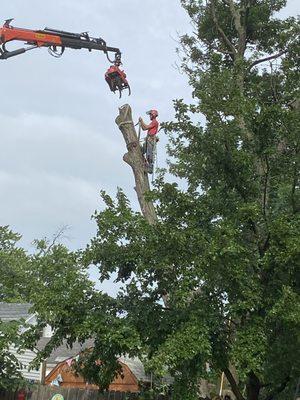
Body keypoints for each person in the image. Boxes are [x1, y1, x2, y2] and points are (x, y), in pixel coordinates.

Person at [139, 109, 159, 174]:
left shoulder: (155, 122)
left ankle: (150, 168)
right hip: (148, 140)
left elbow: (145, 127)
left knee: (149, 154)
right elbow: (144, 128)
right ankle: (146, 164)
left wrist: (141, 121)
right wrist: (141, 122)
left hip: (151, 140)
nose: (150, 116)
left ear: (153, 114)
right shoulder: (152, 122)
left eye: (150, 114)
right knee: (143, 150)